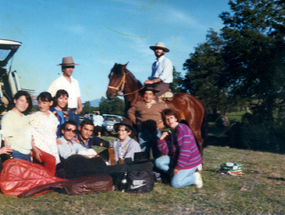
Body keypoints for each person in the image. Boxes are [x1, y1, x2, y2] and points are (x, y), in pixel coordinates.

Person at [155, 109, 203, 188]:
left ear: (176, 118)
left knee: (175, 184)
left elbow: (185, 151)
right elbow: (166, 152)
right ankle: (177, 175)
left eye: (171, 118)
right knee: (158, 162)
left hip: (189, 161)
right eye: (167, 119)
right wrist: (161, 140)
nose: (169, 120)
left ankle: (194, 177)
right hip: (178, 159)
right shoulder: (171, 132)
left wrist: (178, 167)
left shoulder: (182, 129)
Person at [1, 91, 41, 161]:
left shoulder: (25, 117)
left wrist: (35, 150)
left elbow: (29, 136)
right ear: (15, 100)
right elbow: (6, 138)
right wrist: (9, 156)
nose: (24, 104)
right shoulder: (8, 117)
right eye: (22, 101)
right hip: (16, 154)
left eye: (27, 102)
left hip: (28, 154)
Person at [128, 86, 166, 159]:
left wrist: (163, 123)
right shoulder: (139, 104)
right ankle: (145, 168)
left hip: (156, 131)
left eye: (150, 94)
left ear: (153, 96)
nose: (148, 96)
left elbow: (168, 114)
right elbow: (130, 112)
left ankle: (157, 167)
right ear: (143, 95)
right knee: (143, 151)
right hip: (143, 131)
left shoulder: (160, 105)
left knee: (157, 151)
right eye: (146, 94)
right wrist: (136, 122)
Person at [29, 92, 60, 175]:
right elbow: (29, 135)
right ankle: (49, 185)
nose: (41, 105)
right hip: (37, 148)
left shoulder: (54, 119)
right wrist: (35, 150)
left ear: (51, 103)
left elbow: (54, 134)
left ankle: (49, 185)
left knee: (49, 169)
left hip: (51, 148)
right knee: (50, 160)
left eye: (44, 102)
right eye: (39, 102)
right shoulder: (33, 117)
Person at [48, 57, 82, 126]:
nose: (70, 69)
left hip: (75, 112)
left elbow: (78, 96)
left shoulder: (75, 82)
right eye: (68, 67)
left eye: (72, 67)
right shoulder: (57, 82)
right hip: (64, 112)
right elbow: (49, 97)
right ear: (63, 69)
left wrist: (80, 108)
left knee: (77, 132)